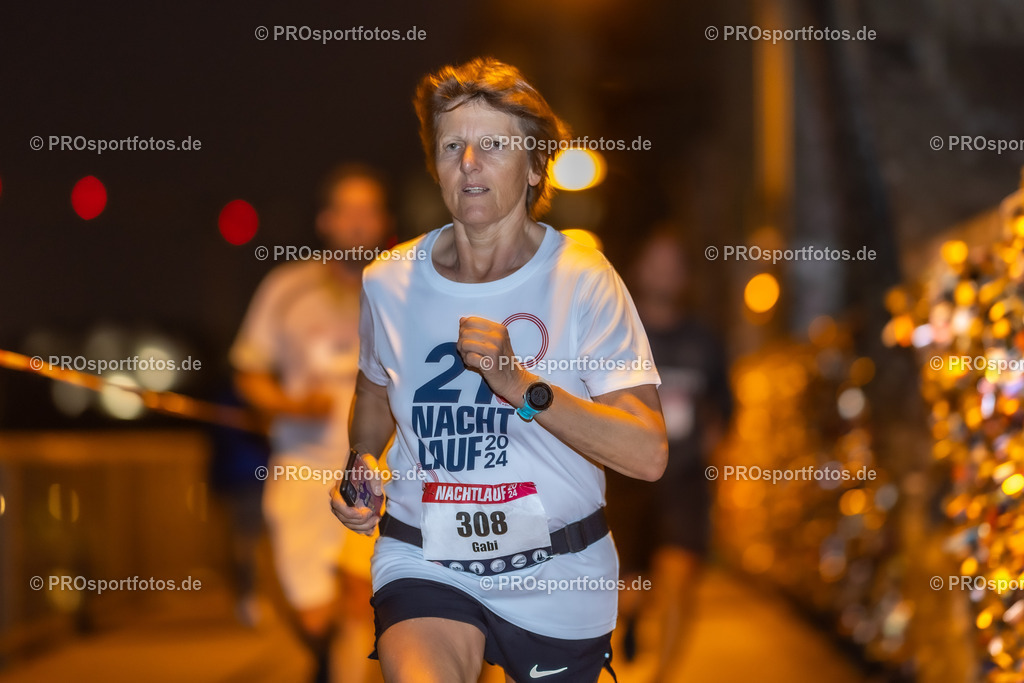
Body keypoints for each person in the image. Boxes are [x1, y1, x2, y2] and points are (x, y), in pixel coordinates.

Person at [330, 57, 668, 683]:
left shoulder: (583, 281)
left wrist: (522, 388)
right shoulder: (388, 282)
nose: (468, 163)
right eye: (452, 145)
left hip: (559, 569)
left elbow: (647, 452)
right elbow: (374, 391)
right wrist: (360, 460)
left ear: (536, 165)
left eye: (492, 145)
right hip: (425, 556)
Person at [231, 164, 392, 683]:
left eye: (369, 211)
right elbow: (249, 372)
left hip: (372, 471)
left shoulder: (397, 289)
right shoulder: (288, 288)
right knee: (314, 614)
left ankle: (345, 666)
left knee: (356, 602)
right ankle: (323, 658)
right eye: (349, 211)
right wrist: (289, 405)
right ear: (326, 220)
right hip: (300, 469)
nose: (359, 224)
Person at [605, 228, 733, 682]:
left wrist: (713, 438)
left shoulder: (704, 341)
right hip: (626, 477)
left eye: (673, 264)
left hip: (684, 479)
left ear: (684, 277)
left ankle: (662, 676)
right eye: (655, 262)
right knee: (629, 587)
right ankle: (634, 615)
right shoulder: (616, 334)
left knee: (680, 574)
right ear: (640, 270)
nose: (665, 273)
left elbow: (725, 401)